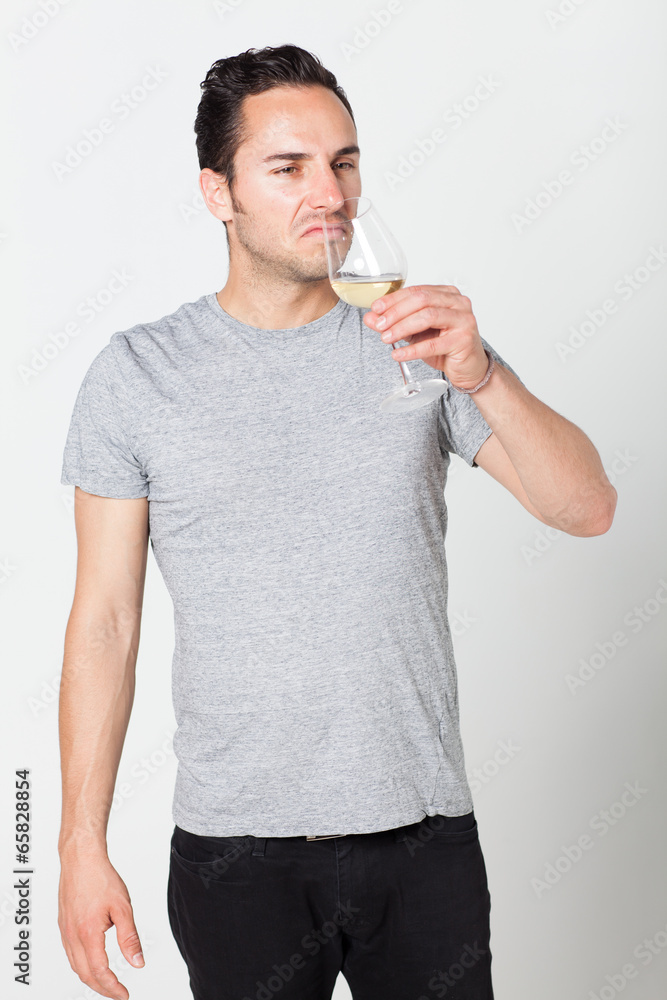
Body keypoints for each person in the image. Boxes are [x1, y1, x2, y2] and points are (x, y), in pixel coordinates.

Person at [57, 43, 617, 1000]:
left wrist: (483, 375)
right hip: (234, 856)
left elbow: (588, 509)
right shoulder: (138, 374)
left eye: (343, 162)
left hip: (423, 840)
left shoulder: (421, 340)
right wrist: (78, 845)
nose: (330, 194)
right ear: (218, 192)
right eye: (289, 167)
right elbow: (104, 622)